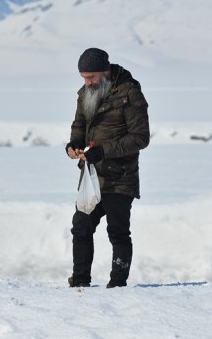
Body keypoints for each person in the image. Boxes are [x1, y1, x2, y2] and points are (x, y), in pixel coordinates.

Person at [65, 47, 150, 288]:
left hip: (121, 178)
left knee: (118, 232)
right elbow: (79, 124)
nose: (87, 82)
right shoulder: (84, 93)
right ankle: (80, 282)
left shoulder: (130, 93)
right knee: (81, 227)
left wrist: (104, 151)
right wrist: (73, 145)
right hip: (91, 177)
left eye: (91, 77)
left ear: (105, 72)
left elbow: (140, 137)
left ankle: (117, 284)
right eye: (83, 78)